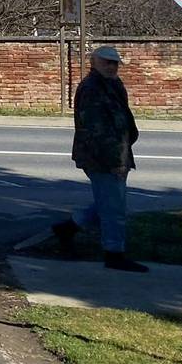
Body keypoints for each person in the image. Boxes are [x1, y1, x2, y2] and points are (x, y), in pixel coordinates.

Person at [53, 45, 146, 272]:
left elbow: (122, 119)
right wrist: (114, 162)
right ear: (94, 63)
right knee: (115, 208)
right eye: (106, 62)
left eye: (114, 63)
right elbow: (95, 131)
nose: (112, 66)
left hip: (118, 153)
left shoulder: (114, 85)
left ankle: (68, 228)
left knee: (109, 202)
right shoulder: (91, 88)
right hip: (102, 157)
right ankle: (114, 254)